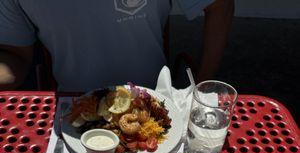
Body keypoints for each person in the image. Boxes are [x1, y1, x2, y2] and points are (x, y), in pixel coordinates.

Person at [0, 0, 234, 92]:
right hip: (72, 110)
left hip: (156, 101)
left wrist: (202, 87)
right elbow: (15, 56)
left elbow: (219, 5)